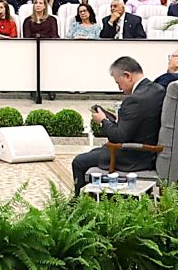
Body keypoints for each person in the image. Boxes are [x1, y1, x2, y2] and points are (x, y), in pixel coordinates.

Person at [69, 56, 162, 191]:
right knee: (95, 152)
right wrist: (120, 120)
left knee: (79, 162)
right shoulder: (157, 89)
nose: (119, 88)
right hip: (147, 151)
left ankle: (80, 202)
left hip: (133, 156)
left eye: (118, 83)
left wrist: (103, 121)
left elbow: (118, 137)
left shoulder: (133, 100)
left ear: (127, 76)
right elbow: (141, 120)